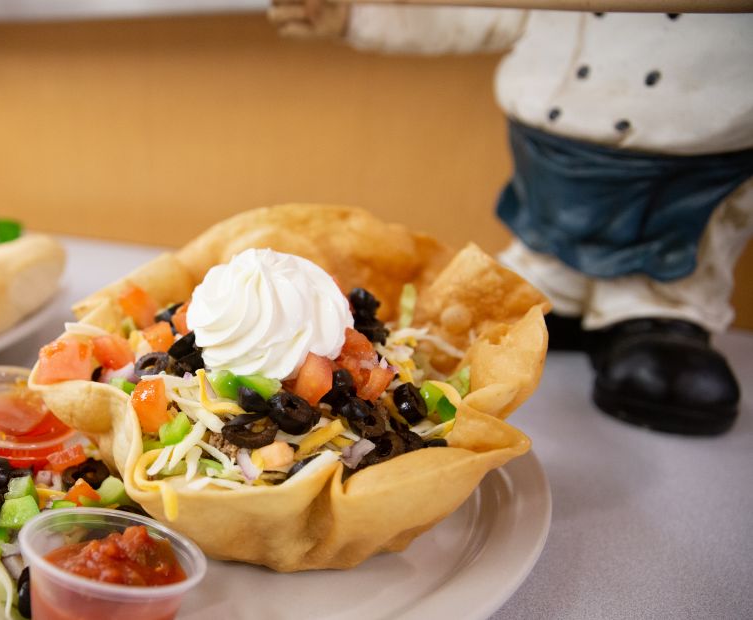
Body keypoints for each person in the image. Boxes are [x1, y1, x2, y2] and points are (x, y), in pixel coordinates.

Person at [269, 3, 753, 435]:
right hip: (548, 155)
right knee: (542, 242)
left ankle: (656, 311)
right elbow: (470, 12)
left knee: (675, 241)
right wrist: (354, 14)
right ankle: (555, 290)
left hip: (691, 165)